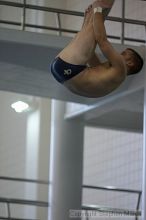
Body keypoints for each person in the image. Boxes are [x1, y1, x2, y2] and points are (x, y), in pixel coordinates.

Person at [50, 0, 143, 98]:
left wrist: (98, 10)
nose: (120, 54)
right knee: (90, 28)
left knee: (98, 15)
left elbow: (102, 40)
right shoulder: (111, 76)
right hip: (62, 73)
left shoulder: (122, 69)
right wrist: (87, 21)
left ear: (130, 63)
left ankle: (102, 5)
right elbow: (89, 54)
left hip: (69, 69)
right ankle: (92, 15)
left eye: (124, 53)